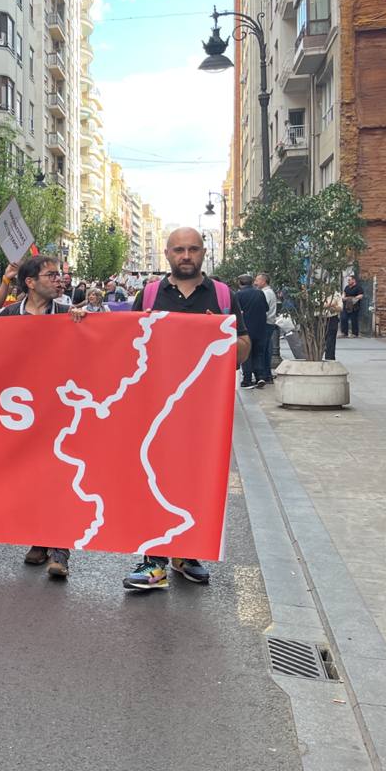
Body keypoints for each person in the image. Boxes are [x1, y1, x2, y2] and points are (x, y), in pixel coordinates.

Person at [123, 227, 249, 591]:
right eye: (179, 249)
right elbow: (126, 342)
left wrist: (221, 336)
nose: (186, 256)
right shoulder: (149, 294)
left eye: (193, 249)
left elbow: (244, 347)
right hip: (154, 411)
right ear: (167, 254)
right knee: (152, 481)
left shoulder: (223, 295)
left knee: (195, 482)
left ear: (203, 252)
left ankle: (186, 553)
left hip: (203, 413)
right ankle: (154, 562)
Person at [0, 256, 84, 579]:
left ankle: (60, 549)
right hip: (22, 413)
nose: (58, 280)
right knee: (30, 476)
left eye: (58, 275)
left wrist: (82, 325)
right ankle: (38, 539)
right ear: (30, 283)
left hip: (58, 411)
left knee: (59, 476)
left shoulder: (66, 314)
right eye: (50, 275)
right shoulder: (7, 315)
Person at [235, 274, 270, 389]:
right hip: (260, 329)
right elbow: (266, 308)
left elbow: (236, 312)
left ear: (240, 283)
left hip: (245, 330)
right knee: (258, 354)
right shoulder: (260, 293)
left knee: (247, 356)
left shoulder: (238, 295)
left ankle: (247, 379)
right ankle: (260, 376)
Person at [255, 273, 279, 375]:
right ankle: (266, 373)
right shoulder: (268, 292)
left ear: (264, 281)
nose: (255, 282)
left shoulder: (266, 293)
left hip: (266, 323)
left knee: (264, 349)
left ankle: (264, 373)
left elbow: (264, 309)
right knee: (267, 348)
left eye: (257, 280)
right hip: (269, 323)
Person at [323, 289, 342, 360]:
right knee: (320, 340)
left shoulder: (337, 294)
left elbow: (340, 308)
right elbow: (318, 305)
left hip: (332, 318)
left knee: (331, 340)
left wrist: (333, 307)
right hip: (320, 319)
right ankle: (317, 357)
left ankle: (330, 358)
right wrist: (332, 304)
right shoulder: (318, 292)